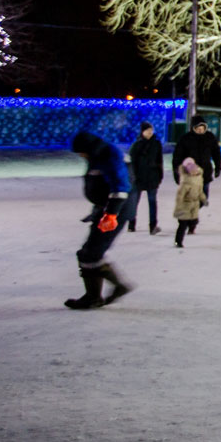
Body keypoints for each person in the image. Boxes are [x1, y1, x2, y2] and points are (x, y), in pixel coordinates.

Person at [65, 131, 135, 310]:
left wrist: (111, 214)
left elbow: (121, 186)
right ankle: (96, 295)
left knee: (90, 254)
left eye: (81, 152)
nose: (81, 156)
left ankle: (100, 294)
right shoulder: (98, 154)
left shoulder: (110, 155)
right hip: (105, 208)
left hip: (116, 210)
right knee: (88, 253)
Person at [172, 115, 221, 210]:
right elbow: (177, 157)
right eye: (198, 128)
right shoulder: (185, 139)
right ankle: (190, 214)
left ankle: (193, 212)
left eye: (202, 128)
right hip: (190, 174)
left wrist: (218, 167)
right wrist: (176, 173)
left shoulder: (210, 137)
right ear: (193, 128)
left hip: (205, 173)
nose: (200, 130)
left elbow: (216, 153)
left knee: (203, 198)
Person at [127, 121, 165, 235]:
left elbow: (160, 161)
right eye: (147, 131)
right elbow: (132, 163)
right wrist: (133, 177)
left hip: (152, 177)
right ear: (142, 132)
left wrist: (159, 175)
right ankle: (131, 224)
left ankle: (153, 226)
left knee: (152, 202)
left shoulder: (156, 144)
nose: (150, 133)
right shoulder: (136, 145)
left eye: (151, 130)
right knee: (134, 202)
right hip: (138, 178)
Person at [173, 157, 207, 247]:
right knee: (182, 225)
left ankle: (191, 226)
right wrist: (179, 208)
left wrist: (204, 199)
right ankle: (178, 242)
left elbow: (200, 191)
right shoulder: (185, 182)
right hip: (185, 205)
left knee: (194, 220)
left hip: (194, 204)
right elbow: (180, 196)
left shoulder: (198, 179)